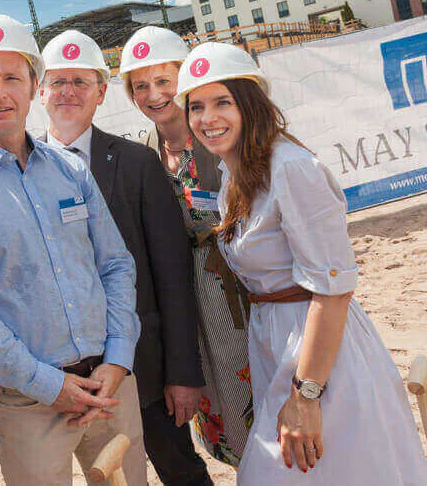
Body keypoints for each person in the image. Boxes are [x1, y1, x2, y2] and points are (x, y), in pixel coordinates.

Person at [173, 42, 427, 484]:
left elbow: (334, 289)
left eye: (222, 102)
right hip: (276, 340)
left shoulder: (291, 168)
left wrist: (307, 393)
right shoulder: (237, 171)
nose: (207, 118)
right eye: (196, 106)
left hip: (321, 351)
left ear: (251, 103)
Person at [0, 15, 145, 485]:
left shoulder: (70, 171)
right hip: (29, 401)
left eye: (12, 78)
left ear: (33, 87)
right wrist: (49, 385)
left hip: (110, 385)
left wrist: (119, 357)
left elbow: (115, 264)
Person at [38, 30, 210, 486]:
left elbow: (171, 276)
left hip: (147, 369)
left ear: (100, 92)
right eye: (57, 81)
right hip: (64, 378)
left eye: (81, 81)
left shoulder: (137, 164)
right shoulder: (21, 171)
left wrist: (182, 373)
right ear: (40, 91)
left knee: (179, 470)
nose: (68, 92)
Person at [119, 27, 251, 466]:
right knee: (216, 400)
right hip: (187, 297)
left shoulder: (218, 137)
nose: (154, 95)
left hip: (241, 291)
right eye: (141, 86)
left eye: (164, 81)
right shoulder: (145, 152)